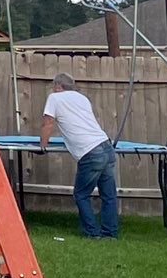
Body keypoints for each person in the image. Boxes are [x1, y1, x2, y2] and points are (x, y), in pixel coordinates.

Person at [39, 80, 119, 238]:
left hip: (89, 151)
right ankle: (110, 234)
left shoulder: (55, 98)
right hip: (105, 145)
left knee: (81, 194)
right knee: (108, 195)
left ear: (58, 86)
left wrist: (42, 146)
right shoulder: (82, 98)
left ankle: (92, 233)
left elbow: (47, 123)